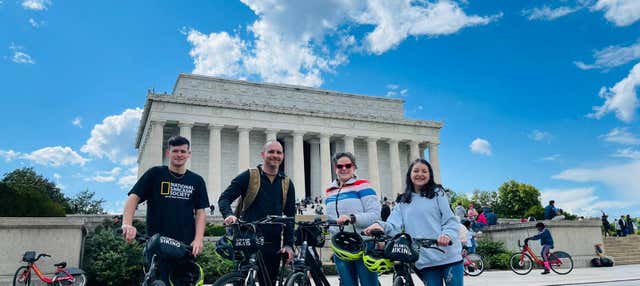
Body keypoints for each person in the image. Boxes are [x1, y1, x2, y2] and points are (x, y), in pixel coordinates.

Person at [122, 136, 210, 285]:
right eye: (175, 151)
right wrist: (127, 223)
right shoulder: (155, 174)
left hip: (185, 246)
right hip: (158, 244)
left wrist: (198, 239)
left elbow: (200, 212)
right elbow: (133, 198)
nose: (179, 154)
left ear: (189, 154)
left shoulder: (197, 180)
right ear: (168, 153)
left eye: (183, 151)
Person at [364, 159, 463, 286]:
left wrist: (447, 235)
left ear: (430, 175)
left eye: (424, 171)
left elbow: (450, 219)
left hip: (448, 256)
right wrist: (380, 225)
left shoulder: (438, 193)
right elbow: (393, 225)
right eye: (416, 171)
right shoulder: (403, 201)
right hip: (425, 260)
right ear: (410, 175)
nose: (420, 174)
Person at [218, 140, 296, 286]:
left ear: (283, 156)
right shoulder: (249, 176)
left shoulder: (287, 183)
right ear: (263, 154)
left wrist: (288, 244)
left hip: (272, 243)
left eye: (278, 152)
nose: (275, 155)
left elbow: (290, 217)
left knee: (269, 282)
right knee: (242, 281)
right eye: (271, 152)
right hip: (248, 239)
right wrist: (228, 214)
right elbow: (225, 198)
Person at [325, 152, 381, 286]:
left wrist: (352, 218)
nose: (344, 169)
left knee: (368, 283)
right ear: (335, 168)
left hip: (364, 243)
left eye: (348, 165)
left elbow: (375, 214)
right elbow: (332, 218)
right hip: (341, 245)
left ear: (354, 167)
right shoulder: (329, 191)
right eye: (340, 166)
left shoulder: (363, 186)